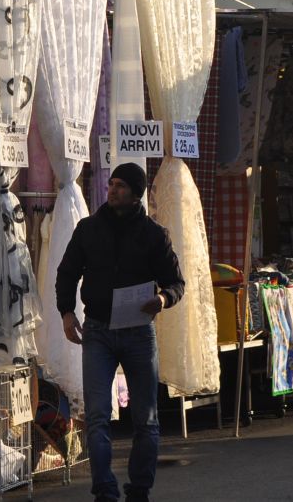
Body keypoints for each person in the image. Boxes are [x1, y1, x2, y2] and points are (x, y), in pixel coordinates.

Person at [55, 162, 184, 502]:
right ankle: (105, 491)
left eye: (121, 186)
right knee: (98, 417)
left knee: (147, 419)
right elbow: (66, 273)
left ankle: (139, 489)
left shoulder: (155, 235)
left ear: (136, 193)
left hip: (139, 332)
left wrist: (162, 298)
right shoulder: (88, 229)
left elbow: (176, 283)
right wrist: (67, 312)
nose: (112, 190)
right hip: (97, 331)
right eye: (111, 184)